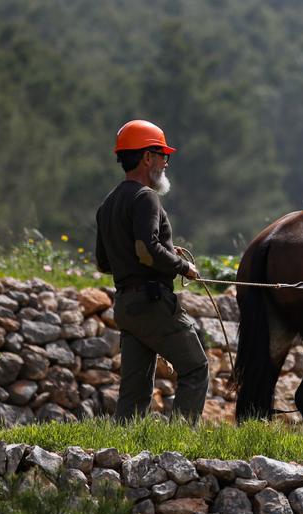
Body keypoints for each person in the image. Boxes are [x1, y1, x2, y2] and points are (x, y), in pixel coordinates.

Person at [94, 119, 208, 423]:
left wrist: (162, 253)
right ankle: (180, 442)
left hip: (126, 306)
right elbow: (147, 250)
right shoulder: (145, 196)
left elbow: (104, 263)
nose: (166, 163)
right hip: (152, 303)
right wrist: (184, 267)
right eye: (163, 155)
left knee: (134, 394)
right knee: (195, 368)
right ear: (147, 157)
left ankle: (123, 446)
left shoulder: (108, 204)